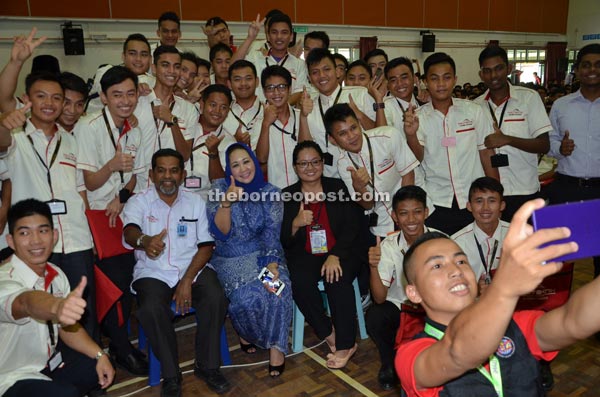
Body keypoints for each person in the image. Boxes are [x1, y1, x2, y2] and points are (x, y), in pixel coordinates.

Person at [395, 198, 592, 397]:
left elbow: (573, 319)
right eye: (437, 266)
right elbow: (459, 352)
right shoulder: (410, 356)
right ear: (414, 293)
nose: (456, 270)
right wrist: (504, 288)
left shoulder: (514, 325)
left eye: (462, 261)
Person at [122, 149, 230, 396]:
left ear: (182, 175)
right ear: (151, 174)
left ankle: (207, 365)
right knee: (149, 308)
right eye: (161, 170)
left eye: (173, 170)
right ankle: (171, 374)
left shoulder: (195, 202)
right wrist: (144, 240)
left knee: (216, 296)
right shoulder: (139, 201)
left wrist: (187, 280)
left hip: (192, 268)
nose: (167, 176)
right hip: (153, 271)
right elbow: (129, 231)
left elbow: (206, 247)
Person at [0, 72, 98, 341]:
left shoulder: (70, 139)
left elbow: (79, 190)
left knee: (83, 310)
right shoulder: (16, 137)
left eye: (57, 98)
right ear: (27, 99)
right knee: (42, 314)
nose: (50, 103)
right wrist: (16, 63)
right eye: (41, 96)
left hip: (76, 240)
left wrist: (92, 234)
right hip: (37, 243)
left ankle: (91, 367)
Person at [75, 66, 148, 375]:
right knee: (112, 286)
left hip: (122, 212)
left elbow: (136, 175)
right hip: (96, 218)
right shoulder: (88, 127)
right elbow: (90, 181)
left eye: (130, 93)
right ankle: (120, 348)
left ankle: (122, 342)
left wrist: (123, 195)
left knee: (128, 278)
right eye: (117, 94)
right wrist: (112, 165)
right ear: (103, 97)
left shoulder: (136, 127)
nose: (125, 100)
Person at [0, 199, 114, 397]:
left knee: (96, 367)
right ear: (10, 241)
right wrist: (57, 306)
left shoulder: (57, 274)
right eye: (24, 233)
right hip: (10, 378)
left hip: (46, 364)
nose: (36, 240)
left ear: (55, 236)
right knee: (65, 394)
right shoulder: (5, 280)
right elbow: (25, 302)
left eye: (43, 231)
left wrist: (100, 354)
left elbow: (67, 329)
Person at [206, 143, 293, 377]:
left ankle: (276, 349)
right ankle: (247, 333)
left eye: (246, 161)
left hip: (262, 257)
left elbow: (272, 233)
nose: (243, 169)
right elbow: (219, 233)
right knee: (245, 299)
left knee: (278, 290)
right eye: (235, 165)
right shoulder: (218, 189)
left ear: (254, 161)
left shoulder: (270, 192)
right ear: (229, 170)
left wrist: (272, 263)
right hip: (231, 259)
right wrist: (226, 203)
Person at [281, 141, 363, 368]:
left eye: (315, 162)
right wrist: (295, 224)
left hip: (341, 251)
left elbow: (352, 227)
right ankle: (328, 332)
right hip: (306, 254)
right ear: (296, 167)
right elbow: (284, 240)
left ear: (322, 163)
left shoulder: (336, 187)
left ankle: (347, 344)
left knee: (335, 278)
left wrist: (335, 254)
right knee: (298, 280)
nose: (310, 167)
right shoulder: (288, 195)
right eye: (303, 163)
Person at [403, 52, 498, 235]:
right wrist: (411, 135)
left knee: (474, 256)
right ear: (425, 82)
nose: (441, 84)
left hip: (473, 200)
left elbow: (487, 154)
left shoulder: (473, 112)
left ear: (454, 80)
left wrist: (494, 195)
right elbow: (418, 158)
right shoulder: (419, 117)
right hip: (438, 200)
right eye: (434, 78)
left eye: (446, 78)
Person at [366, 185, 434, 391]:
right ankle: (390, 362)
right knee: (376, 315)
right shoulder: (388, 246)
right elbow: (379, 298)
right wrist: (373, 266)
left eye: (417, 212)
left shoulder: (440, 240)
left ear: (426, 212)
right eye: (404, 213)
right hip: (401, 306)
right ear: (395, 216)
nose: (411, 220)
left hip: (433, 307)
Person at [474, 46, 551, 221]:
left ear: (508, 69)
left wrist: (507, 140)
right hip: (490, 194)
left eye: (498, 68)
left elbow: (544, 145)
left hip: (524, 191)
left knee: (525, 245)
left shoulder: (529, 98)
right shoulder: (475, 106)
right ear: (481, 75)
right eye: (487, 71)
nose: (493, 75)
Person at [325, 103, 417, 239]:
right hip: (382, 225)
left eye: (353, 128)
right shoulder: (343, 164)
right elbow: (368, 205)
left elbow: (408, 175)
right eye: (342, 133)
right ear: (333, 140)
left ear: (359, 124)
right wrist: (359, 187)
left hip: (413, 214)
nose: (351, 136)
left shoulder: (388, 136)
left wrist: (403, 214)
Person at [547, 43, 600, 277]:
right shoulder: (561, 105)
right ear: (577, 70)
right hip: (567, 188)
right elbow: (548, 143)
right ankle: (558, 310)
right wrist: (560, 148)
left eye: (598, 65)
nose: (592, 70)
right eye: (586, 65)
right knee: (560, 257)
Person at [304, 49, 379, 178]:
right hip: (328, 178)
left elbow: (379, 133)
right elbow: (305, 145)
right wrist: (303, 116)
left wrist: (359, 114)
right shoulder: (309, 105)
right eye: (315, 72)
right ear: (309, 78)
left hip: (364, 173)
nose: (322, 75)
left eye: (327, 69)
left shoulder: (360, 94)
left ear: (337, 72)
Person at [134, 45, 199, 189]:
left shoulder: (188, 109)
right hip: (138, 187)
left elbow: (185, 155)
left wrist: (172, 121)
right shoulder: (137, 101)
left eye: (177, 67)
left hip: (172, 189)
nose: (171, 71)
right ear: (154, 68)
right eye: (165, 65)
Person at [256, 65, 311, 189]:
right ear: (264, 92)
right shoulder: (259, 122)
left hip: (303, 189)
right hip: (275, 191)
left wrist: (303, 117)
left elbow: (308, 151)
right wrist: (266, 124)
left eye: (281, 87)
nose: (276, 93)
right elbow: (261, 158)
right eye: (270, 88)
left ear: (290, 89)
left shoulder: (302, 116)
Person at [452, 177, 509, 282]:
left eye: (492, 201)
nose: (485, 208)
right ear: (469, 206)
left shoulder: (518, 234)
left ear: (502, 205)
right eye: (479, 201)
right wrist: (475, 290)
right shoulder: (456, 243)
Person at [185, 84, 236, 201]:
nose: (217, 111)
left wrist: (214, 154)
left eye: (223, 107)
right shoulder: (187, 125)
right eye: (213, 105)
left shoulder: (229, 142)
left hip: (205, 202)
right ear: (202, 104)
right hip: (175, 196)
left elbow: (220, 185)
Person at [223, 60, 264, 150]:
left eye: (248, 78)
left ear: (257, 81)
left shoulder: (267, 112)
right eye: (237, 79)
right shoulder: (222, 115)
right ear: (229, 84)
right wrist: (235, 142)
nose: (243, 84)